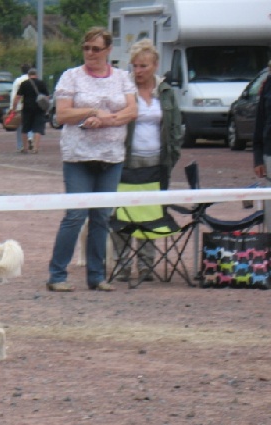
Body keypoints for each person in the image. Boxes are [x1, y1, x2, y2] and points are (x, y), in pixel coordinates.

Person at [46, 26, 137, 292]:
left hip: (111, 157)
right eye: (86, 48)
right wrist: (92, 110)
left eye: (96, 49)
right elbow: (63, 115)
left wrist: (106, 120)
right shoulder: (70, 77)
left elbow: (132, 110)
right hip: (78, 157)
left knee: (102, 217)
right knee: (75, 215)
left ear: (108, 50)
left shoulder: (122, 78)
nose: (90, 53)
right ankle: (57, 274)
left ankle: (96, 276)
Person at [112, 39, 182, 282]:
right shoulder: (123, 90)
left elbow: (175, 128)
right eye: (134, 66)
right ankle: (121, 266)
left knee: (150, 213)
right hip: (126, 161)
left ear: (155, 65)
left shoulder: (166, 92)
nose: (138, 71)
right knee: (122, 215)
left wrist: (173, 155)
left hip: (157, 162)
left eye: (143, 66)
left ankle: (146, 265)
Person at [12, 68, 49, 154]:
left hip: (27, 109)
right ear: (36, 75)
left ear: (28, 75)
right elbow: (47, 97)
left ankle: (25, 148)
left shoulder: (24, 84)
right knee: (38, 128)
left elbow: (17, 98)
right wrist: (46, 108)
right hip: (39, 108)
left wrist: (14, 109)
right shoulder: (41, 83)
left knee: (25, 128)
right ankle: (35, 148)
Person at [9, 63, 33, 153]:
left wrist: (12, 108)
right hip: (31, 106)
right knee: (30, 124)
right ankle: (30, 138)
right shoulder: (32, 80)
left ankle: (20, 145)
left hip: (20, 107)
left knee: (20, 127)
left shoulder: (18, 81)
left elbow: (14, 95)